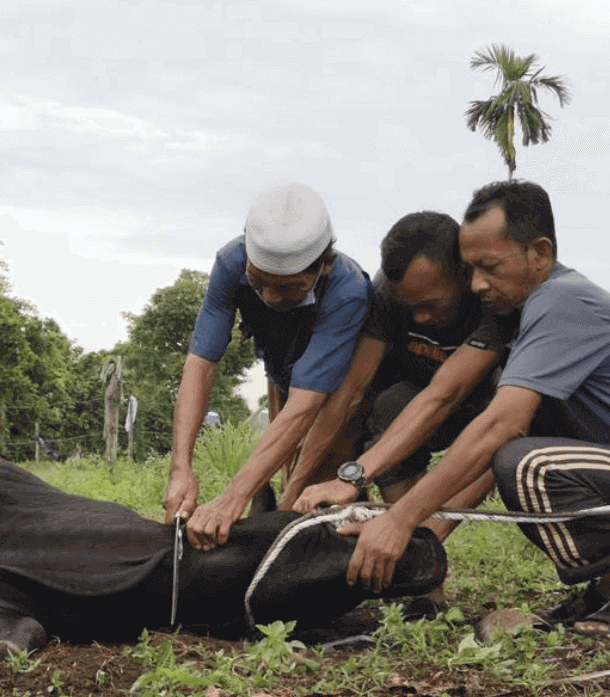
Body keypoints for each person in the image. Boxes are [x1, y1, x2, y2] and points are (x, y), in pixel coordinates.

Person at [342, 180, 610, 635]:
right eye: (470, 269)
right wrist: (414, 525)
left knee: (527, 465)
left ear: (540, 253)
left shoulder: (561, 299)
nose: (478, 284)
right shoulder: (530, 314)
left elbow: (498, 428)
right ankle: (601, 595)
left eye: (490, 267)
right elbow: (444, 401)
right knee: (524, 446)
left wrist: (402, 519)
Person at [283, 211, 518, 617]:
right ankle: (423, 588)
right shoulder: (388, 296)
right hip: (411, 401)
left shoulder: (492, 305)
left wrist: (412, 526)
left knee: (504, 439)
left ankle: (422, 549)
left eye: (429, 305)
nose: (420, 317)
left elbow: (444, 396)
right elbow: (352, 391)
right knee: (390, 408)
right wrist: (295, 488)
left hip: (481, 409)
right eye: (410, 307)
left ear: (463, 276)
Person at [164, 183, 371, 550]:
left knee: (316, 484)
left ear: (322, 267)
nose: (271, 298)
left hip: (339, 388)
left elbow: (308, 404)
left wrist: (232, 498)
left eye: (288, 288)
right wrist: (181, 467)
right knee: (286, 468)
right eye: (259, 283)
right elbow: (200, 365)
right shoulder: (230, 263)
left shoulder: (347, 290)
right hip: (281, 370)